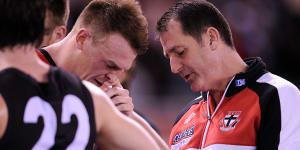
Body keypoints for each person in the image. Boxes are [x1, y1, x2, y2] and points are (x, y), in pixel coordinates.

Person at [0, 0, 162, 149]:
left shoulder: (94, 100)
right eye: (109, 65)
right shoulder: (92, 100)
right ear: (82, 38)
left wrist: (130, 116)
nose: (113, 78)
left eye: (122, 70)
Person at [156, 0, 300, 149]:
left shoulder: (278, 95)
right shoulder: (184, 118)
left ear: (211, 38)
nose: (174, 68)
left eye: (180, 52)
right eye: (169, 57)